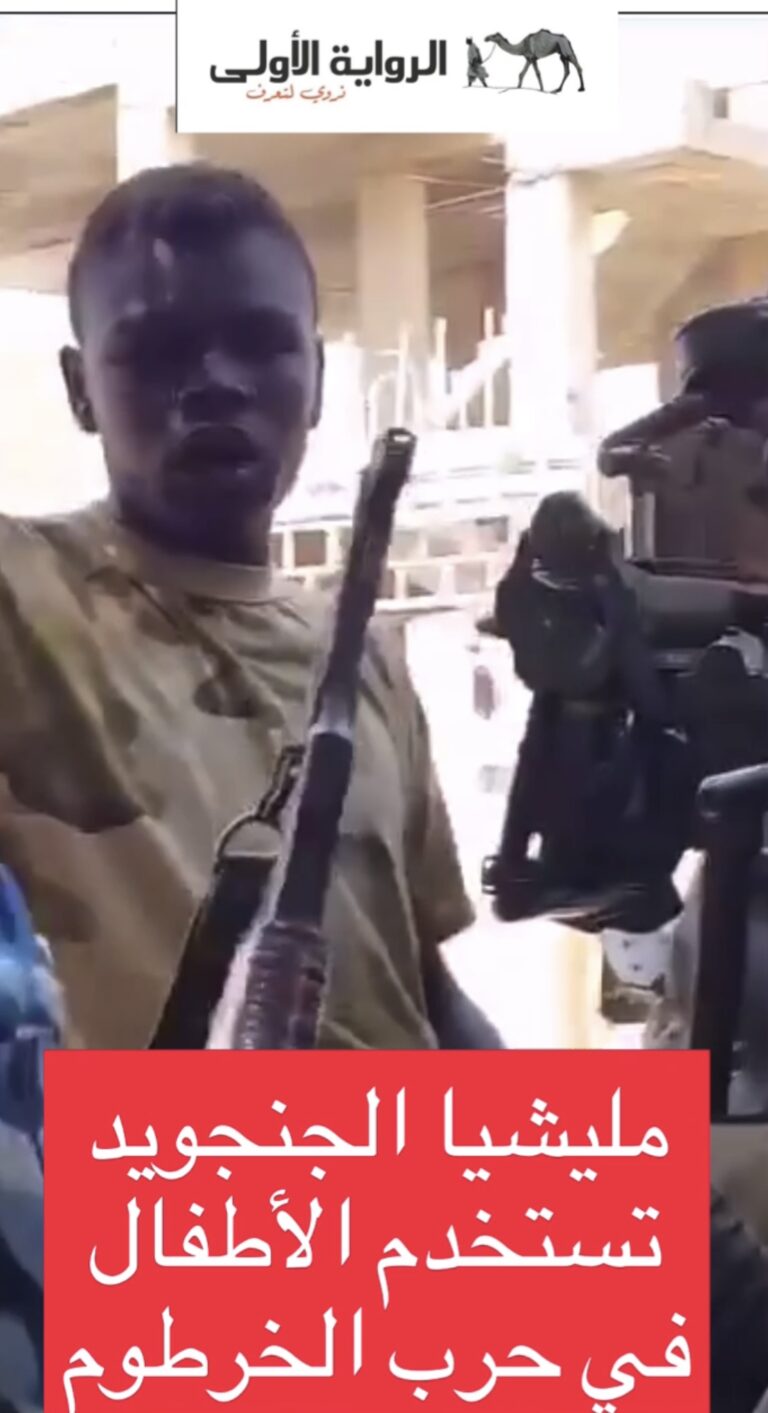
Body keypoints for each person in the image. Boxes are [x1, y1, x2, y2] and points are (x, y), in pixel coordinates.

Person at [0, 161, 498, 1052]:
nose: (216, 382)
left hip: (411, 1144)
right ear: (81, 389)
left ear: (316, 374)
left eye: (261, 343)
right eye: (157, 351)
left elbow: (419, 985)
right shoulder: (21, 598)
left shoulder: (365, 657)